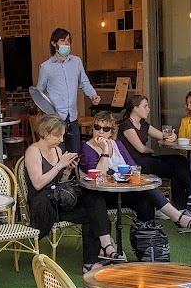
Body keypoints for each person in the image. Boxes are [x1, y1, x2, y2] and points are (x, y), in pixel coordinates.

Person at [25, 114, 124, 273]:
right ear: (45, 133)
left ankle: (98, 253)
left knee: (93, 199)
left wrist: (68, 169)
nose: (61, 140)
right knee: (92, 214)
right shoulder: (33, 151)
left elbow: (61, 182)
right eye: (58, 135)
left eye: (62, 135)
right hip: (42, 205)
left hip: (60, 199)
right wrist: (59, 166)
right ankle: (100, 253)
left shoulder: (57, 150)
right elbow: (37, 184)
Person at [79, 111, 191, 232]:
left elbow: (133, 167)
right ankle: (178, 218)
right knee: (146, 192)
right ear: (92, 129)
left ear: (111, 132)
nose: (100, 132)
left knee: (145, 197)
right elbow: (98, 176)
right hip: (104, 195)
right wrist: (105, 151)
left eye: (105, 129)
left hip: (125, 189)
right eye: (97, 127)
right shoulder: (87, 148)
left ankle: (146, 242)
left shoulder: (117, 144)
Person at [117, 94, 191, 208]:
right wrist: (151, 149)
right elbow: (141, 148)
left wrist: (172, 137)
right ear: (136, 109)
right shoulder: (127, 125)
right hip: (134, 163)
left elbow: (163, 135)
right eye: (145, 106)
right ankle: (183, 204)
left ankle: (190, 197)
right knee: (176, 169)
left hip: (147, 159)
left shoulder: (143, 124)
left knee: (180, 159)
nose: (148, 109)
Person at [36, 28, 101, 154]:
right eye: (63, 40)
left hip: (72, 116)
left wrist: (93, 95)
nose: (66, 43)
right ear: (54, 43)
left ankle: (73, 174)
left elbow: (84, 82)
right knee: (57, 153)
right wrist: (42, 110)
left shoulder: (76, 62)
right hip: (55, 118)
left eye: (68, 40)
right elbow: (39, 92)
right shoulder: (46, 67)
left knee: (74, 153)